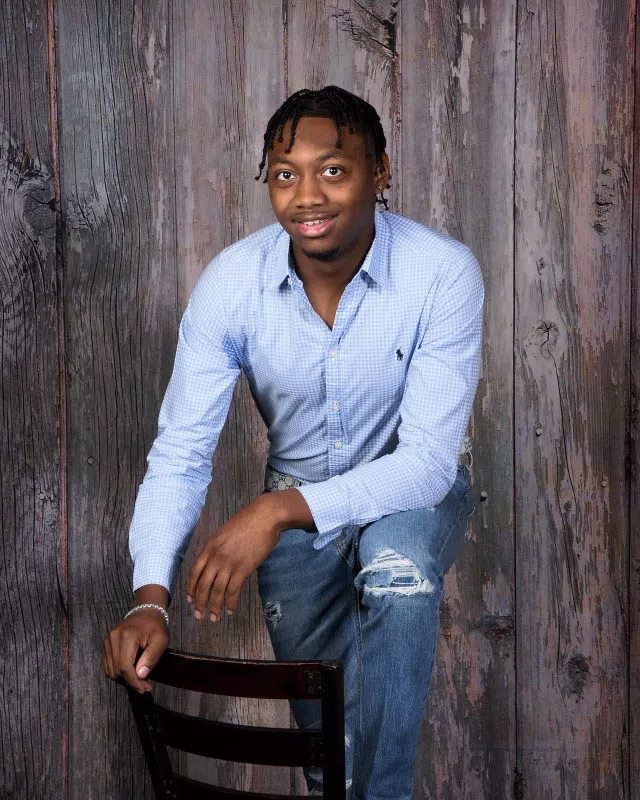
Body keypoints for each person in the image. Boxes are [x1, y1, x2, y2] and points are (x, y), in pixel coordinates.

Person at [101, 85, 484, 799]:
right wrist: (148, 599)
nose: (307, 195)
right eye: (285, 174)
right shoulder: (231, 283)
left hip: (411, 489)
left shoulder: (442, 271)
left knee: (397, 574)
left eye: (333, 169)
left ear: (380, 171)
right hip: (296, 496)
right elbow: (181, 451)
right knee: (326, 756)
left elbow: (429, 464)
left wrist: (274, 512)